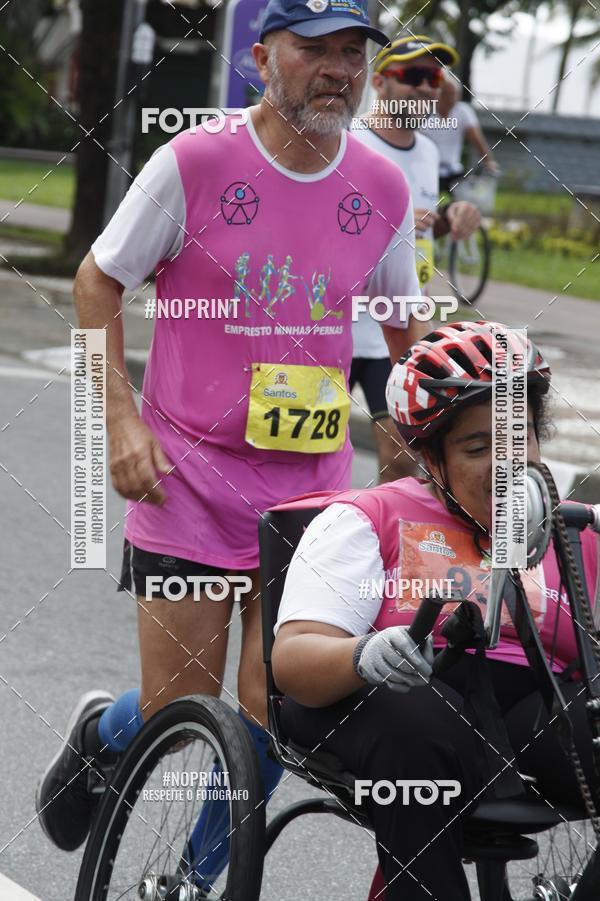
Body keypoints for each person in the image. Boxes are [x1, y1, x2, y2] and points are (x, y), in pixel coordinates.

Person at [35, 0, 425, 890]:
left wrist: (414, 456)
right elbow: (98, 281)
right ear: (260, 58)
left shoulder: (385, 188)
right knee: (182, 701)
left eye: (355, 52)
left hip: (312, 495)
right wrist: (121, 421)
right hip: (189, 475)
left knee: (271, 710)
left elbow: (404, 331)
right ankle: (104, 732)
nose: (340, 70)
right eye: (315, 49)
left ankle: (194, 878)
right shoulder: (196, 161)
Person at [272, 321, 599, 901]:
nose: (505, 464)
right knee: (417, 724)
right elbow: (294, 660)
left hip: (518, 714)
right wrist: (364, 655)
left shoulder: (574, 532)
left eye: (518, 437)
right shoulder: (365, 520)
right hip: (377, 707)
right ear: (430, 457)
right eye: (477, 447)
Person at [350, 36, 480, 483]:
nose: (427, 88)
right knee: (307, 455)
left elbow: (425, 224)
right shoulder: (347, 141)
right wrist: (394, 218)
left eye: (434, 78)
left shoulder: (426, 151)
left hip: (397, 330)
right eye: (414, 77)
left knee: (402, 458)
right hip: (334, 328)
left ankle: (380, 550)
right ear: (380, 82)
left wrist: (452, 218)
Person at [421, 76, 499, 191]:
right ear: (438, 94)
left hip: (454, 171)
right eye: (447, 94)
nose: (451, 99)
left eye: (454, 94)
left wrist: (489, 161)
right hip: (428, 170)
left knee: (467, 198)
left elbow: (477, 140)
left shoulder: (463, 112)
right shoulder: (424, 112)